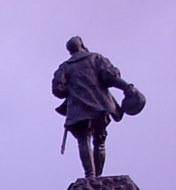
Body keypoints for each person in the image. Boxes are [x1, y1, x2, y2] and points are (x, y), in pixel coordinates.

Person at [52, 36, 143, 179]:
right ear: (82, 45)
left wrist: (69, 88)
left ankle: (90, 176)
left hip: (78, 109)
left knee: (83, 139)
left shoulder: (64, 67)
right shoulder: (96, 58)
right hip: (100, 106)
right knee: (99, 141)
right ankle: (97, 178)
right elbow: (110, 78)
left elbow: (58, 90)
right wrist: (126, 87)